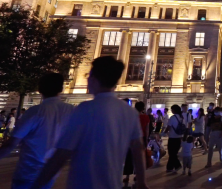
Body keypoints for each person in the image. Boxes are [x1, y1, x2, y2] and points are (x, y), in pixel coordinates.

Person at [30, 57, 148, 189]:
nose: (87, 80)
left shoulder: (84, 109)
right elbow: (138, 149)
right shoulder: (129, 112)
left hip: (83, 183)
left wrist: (37, 184)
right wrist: (142, 182)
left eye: (89, 75)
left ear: (94, 79)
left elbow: (61, 154)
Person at [0, 73, 74, 189]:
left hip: (28, 171)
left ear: (39, 89)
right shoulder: (71, 111)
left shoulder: (36, 111)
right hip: (51, 173)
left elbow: (12, 143)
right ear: (61, 89)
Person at [164, 104, 184, 173]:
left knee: (172, 153)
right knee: (174, 153)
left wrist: (164, 132)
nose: (171, 110)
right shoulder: (181, 118)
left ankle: (177, 165)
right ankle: (169, 167)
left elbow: (168, 127)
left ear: (174, 110)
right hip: (179, 137)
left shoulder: (172, 118)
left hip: (172, 137)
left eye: (172, 109)